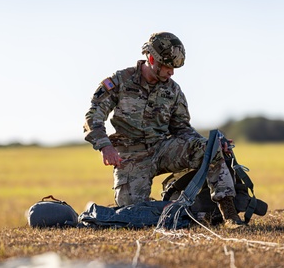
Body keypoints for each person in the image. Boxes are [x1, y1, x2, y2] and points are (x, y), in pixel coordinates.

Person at [83, 32, 245, 227]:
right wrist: (104, 146)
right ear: (151, 59)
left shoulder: (173, 91)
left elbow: (182, 129)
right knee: (133, 212)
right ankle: (173, 203)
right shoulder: (120, 81)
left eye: (174, 68)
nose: (172, 73)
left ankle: (229, 215)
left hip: (162, 148)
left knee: (210, 150)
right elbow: (93, 116)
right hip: (131, 155)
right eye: (168, 66)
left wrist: (211, 145)